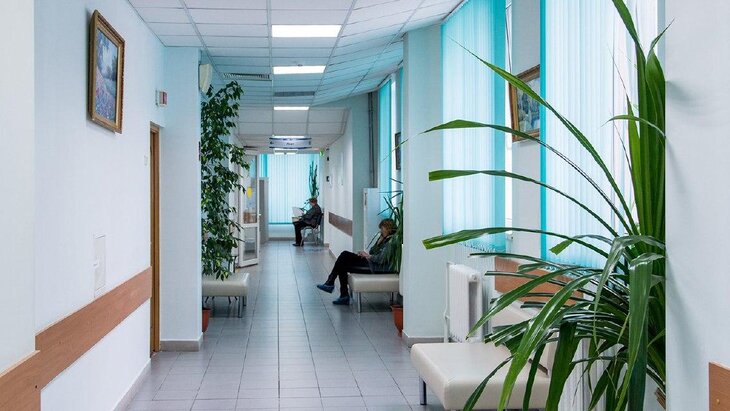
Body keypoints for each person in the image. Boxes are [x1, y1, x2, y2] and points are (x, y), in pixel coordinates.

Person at [316, 218, 398, 305]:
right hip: (371, 263)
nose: (381, 231)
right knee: (344, 254)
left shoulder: (391, 242)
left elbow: (381, 260)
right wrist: (377, 243)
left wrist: (368, 256)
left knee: (342, 265)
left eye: (382, 229)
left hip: (376, 267)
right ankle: (333, 286)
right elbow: (372, 252)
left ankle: (336, 288)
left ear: (388, 228)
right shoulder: (384, 239)